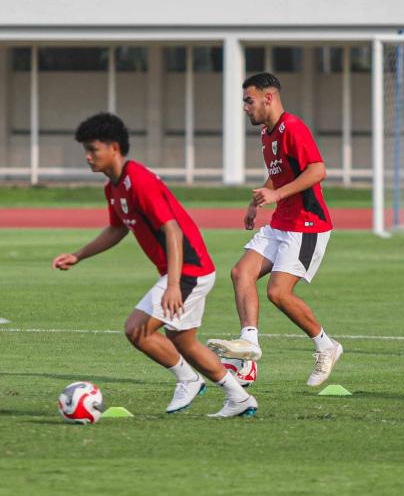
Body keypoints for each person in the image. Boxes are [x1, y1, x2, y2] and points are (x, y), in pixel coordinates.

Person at [52, 113, 257, 418]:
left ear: (114, 148)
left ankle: (189, 380)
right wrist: (78, 255)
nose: (87, 156)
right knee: (184, 342)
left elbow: (172, 230)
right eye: (86, 149)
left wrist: (173, 285)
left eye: (92, 149)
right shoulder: (114, 187)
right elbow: (117, 229)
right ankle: (239, 397)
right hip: (186, 271)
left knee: (136, 330)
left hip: (189, 270)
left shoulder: (139, 180)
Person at [207, 73, 342, 387]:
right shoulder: (267, 134)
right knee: (241, 272)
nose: (245, 107)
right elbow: (279, 173)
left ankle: (326, 346)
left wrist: (277, 195)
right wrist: (256, 202)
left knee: (278, 293)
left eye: (249, 101)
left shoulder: (292, 127)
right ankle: (249, 345)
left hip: (307, 225)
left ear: (268, 98)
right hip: (281, 222)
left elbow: (317, 170)